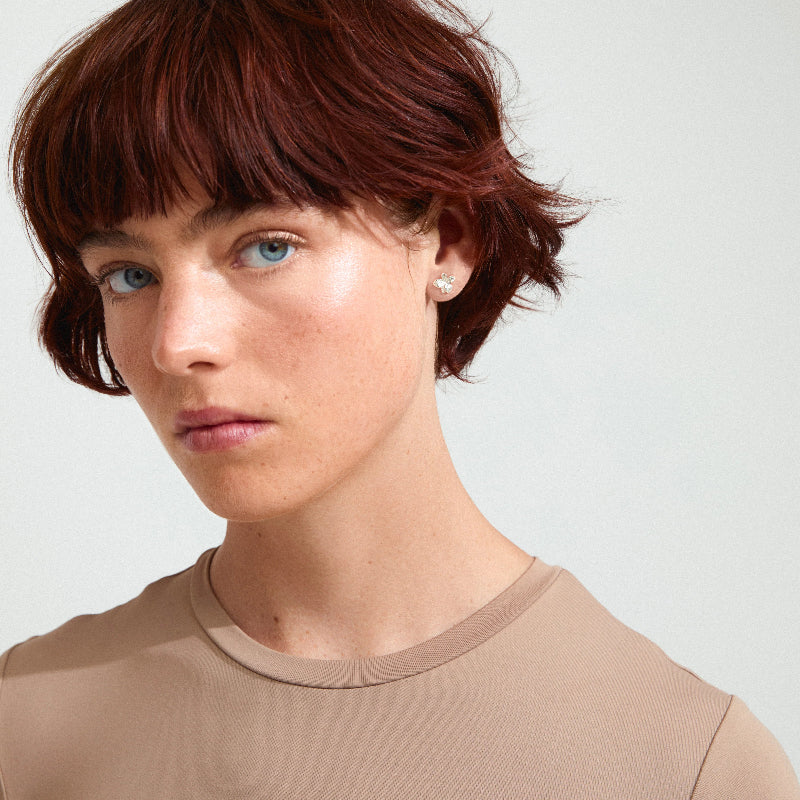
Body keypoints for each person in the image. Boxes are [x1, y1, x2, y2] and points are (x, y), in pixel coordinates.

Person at [1, 0, 797, 797]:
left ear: (446, 242)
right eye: (129, 275)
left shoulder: (682, 762)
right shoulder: (27, 725)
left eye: (267, 247)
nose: (178, 343)